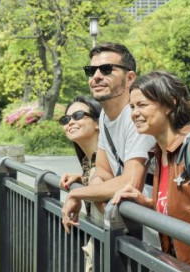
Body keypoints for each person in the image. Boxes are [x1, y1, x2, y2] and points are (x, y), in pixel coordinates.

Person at [112, 71, 190, 272]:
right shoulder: (160, 154)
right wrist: (149, 204)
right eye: (132, 107)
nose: (134, 113)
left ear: (170, 104)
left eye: (142, 105)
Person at [61, 42, 155, 233]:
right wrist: (98, 196)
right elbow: (103, 171)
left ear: (130, 78)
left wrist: (78, 194)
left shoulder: (137, 116)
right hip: (128, 228)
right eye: (91, 70)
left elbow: (130, 182)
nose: (96, 76)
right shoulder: (104, 116)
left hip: (154, 230)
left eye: (106, 69)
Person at [59, 95, 101, 196]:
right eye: (66, 119)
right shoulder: (87, 161)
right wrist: (82, 179)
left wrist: (76, 194)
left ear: (98, 122)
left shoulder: (108, 159)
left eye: (78, 116)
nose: (70, 122)